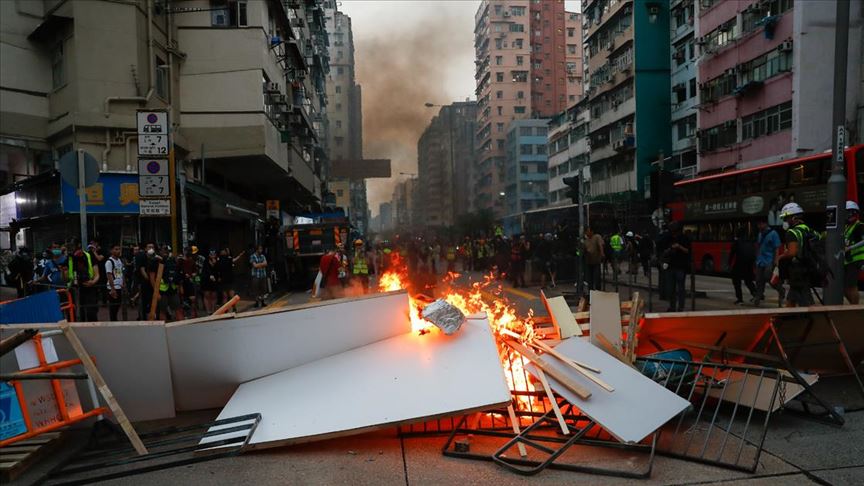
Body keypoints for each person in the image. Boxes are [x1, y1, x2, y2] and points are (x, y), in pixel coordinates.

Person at [777, 202, 817, 307]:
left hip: (797, 270)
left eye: (786, 218)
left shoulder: (792, 232)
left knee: (805, 300)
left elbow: (792, 253)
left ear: (793, 217)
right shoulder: (807, 229)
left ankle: (812, 319)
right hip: (808, 265)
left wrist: (780, 257)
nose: (785, 221)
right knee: (793, 296)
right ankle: (788, 317)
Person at [658, 221, 691, 312]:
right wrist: (669, 250)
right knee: (671, 288)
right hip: (670, 266)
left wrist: (679, 246)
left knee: (680, 288)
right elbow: (663, 250)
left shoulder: (684, 238)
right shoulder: (668, 238)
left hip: (680, 266)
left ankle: (680, 307)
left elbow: (688, 251)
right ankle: (672, 306)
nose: (673, 232)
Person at [754, 218, 784, 306]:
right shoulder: (760, 234)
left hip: (769, 260)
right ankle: (758, 297)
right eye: (758, 224)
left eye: (761, 224)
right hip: (760, 261)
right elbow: (758, 247)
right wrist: (756, 259)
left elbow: (776, 248)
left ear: (765, 224)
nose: (759, 226)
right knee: (759, 280)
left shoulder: (773, 234)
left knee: (769, 278)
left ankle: (781, 290)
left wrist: (776, 261)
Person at [68, 239, 101, 321]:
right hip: (75, 288)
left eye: (78, 248)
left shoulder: (90, 256)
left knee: (91, 312)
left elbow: (97, 274)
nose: (77, 252)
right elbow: (66, 277)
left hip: (90, 287)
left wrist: (93, 282)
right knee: (78, 313)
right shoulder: (70, 258)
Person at [728, 227, 757, 305]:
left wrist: (729, 264)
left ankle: (739, 299)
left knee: (736, 281)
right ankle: (756, 294)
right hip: (749, 264)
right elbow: (754, 253)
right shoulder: (750, 241)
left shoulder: (737, 242)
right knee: (748, 280)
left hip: (739, 263)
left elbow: (732, 254)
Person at [843, 200, 864, 304]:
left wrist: (850, 248)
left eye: (851, 213)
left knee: (851, 285)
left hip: (855, 260)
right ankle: (854, 306)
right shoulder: (847, 227)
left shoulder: (860, 226)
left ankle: (855, 308)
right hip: (848, 260)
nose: (849, 215)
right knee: (844, 286)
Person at [157, 246, 182, 321]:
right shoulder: (157, 261)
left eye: (167, 250)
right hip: (162, 290)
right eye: (163, 250)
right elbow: (153, 277)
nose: (165, 252)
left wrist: (179, 287)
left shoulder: (173, 260)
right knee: (162, 310)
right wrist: (156, 292)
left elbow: (178, 275)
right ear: (160, 251)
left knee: (178, 309)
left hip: (173, 288)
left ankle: (180, 327)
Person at [105, 245, 125, 321]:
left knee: (118, 306)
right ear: (111, 251)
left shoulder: (119, 260)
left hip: (119, 286)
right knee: (113, 308)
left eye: (119, 249)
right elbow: (109, 275)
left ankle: (115, 320)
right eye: (116, 249)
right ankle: (113, 321)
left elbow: (121, 272)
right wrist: (112, 289)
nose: (118, 251)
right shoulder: (109, 262)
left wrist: (123, 283)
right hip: (113, 287)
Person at [583, 227, 605, 292]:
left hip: (596, 261)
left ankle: (598, 291)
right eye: (586, 232)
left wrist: (602, 253)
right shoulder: (586, 241)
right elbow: (584, 250)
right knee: (590, 279)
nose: (586, 233)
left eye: (588, 231)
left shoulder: (597, 237)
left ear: (592, 232)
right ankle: (591, 292)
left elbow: (600, 245)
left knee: (597, 277)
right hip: (589, 262)